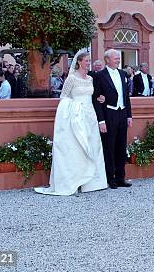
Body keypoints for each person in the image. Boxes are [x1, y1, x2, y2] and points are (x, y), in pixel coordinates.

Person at [35, 50, 107, 195]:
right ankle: (75, 181)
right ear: (79, 62)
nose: (88, 63)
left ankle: (91, 182)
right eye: (86, 60)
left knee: (92, 145)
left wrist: (101, 99)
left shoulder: (90, 79)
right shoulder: (71, 79)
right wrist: (74, 109)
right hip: (76, 116)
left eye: (89, 61)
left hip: (90, 115)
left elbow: (91, 97)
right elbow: (64, 97)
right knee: (77, 148)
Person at [93, 49, 133, 189]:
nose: (118, 60)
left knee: (121, 146)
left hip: (122, 113)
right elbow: (96, 99)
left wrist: (129, 115)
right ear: (107, 60)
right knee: (109, 147)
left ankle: (121, 177)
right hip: (109, 114)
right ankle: (110, 178)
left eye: (118, 58)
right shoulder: (100, 76)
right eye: (115, 58)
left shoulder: (123, 74)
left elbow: (126, 97)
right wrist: (101, 120)